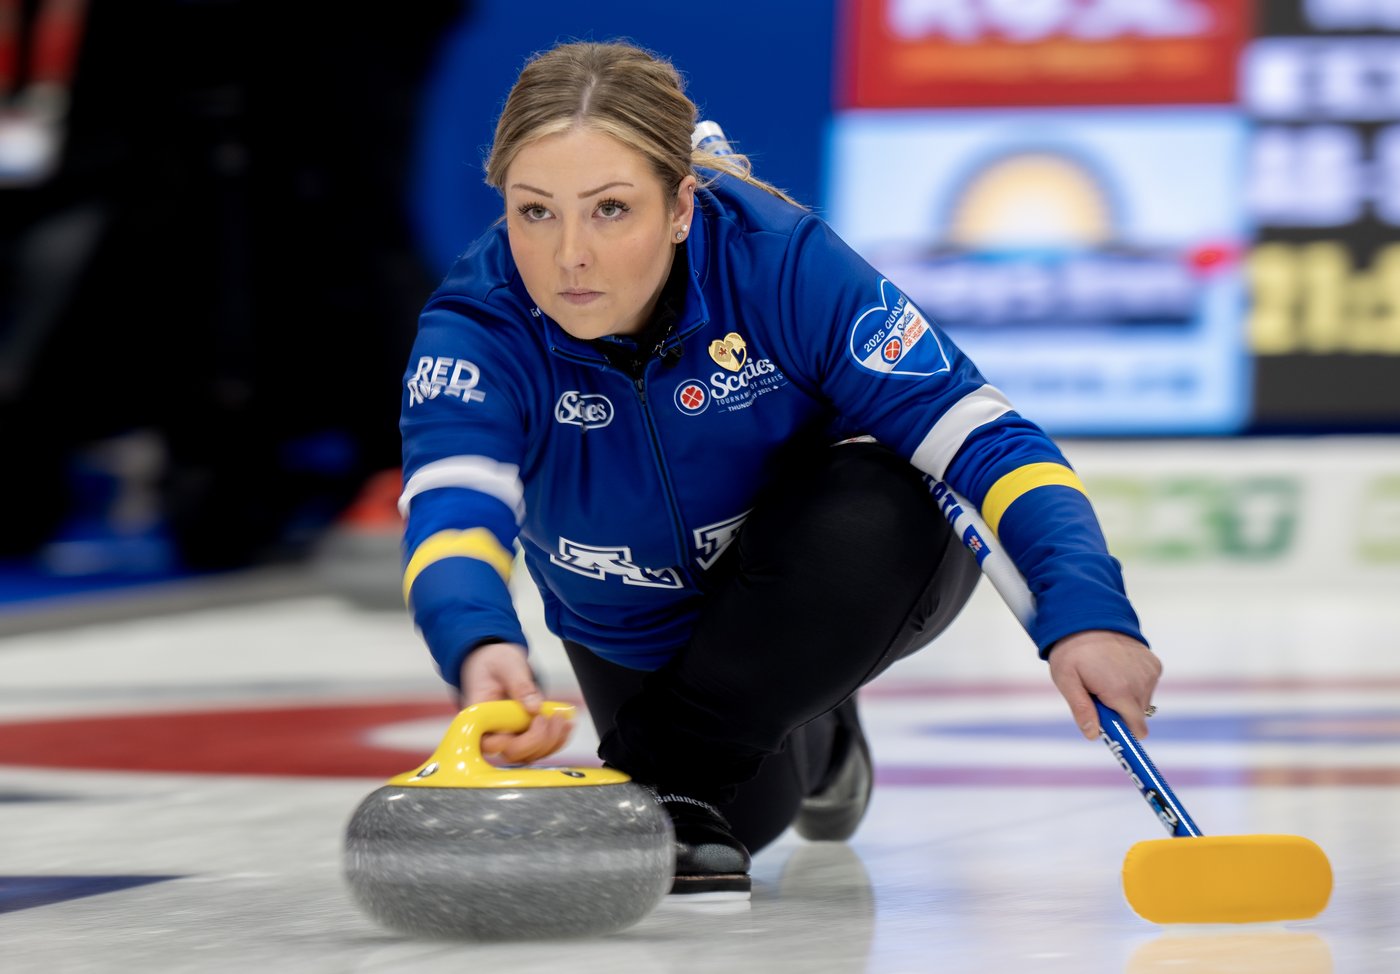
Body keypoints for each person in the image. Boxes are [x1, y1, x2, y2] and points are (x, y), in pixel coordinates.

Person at [397, 40, 1162, 899]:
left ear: (682, 205)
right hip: (637, 630)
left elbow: (988, 441)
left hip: (830, 561)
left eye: (610, 209)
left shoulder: (779, 263)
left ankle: (712, 742)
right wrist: (481, 643)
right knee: (749, 820)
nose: (570, 254)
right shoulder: (478, 323)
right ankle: (822, 729)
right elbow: (452, 509)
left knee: (886, 494)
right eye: (535, 212)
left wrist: (1092, 615)